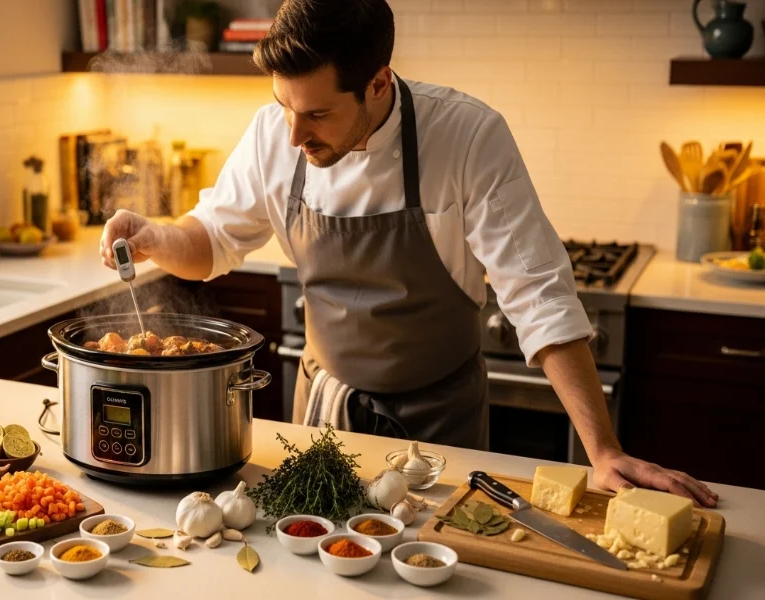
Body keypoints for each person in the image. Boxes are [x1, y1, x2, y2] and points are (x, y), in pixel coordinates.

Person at [100, 0, 717, 507]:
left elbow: (538, 293)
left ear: (378, 83)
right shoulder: (274, 133)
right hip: (322, 422)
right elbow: (210, 240)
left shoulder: (466, 136)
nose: (293, 134)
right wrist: (155, 238)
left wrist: (603, 450)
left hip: (441, 432)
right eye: (284, 106)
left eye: (317, 113)